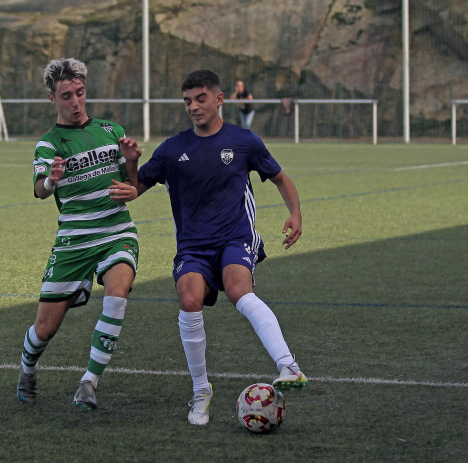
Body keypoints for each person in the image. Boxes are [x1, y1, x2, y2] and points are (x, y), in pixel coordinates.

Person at [134, 70, 307, 426]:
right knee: (189, 298)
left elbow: (280, 178)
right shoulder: (172, 148)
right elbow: (133, 187)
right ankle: (201, 391)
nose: (193, 107)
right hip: (193, 246)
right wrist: (129, 162)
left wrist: (295, 213)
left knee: (238, 289)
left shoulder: (244, 141)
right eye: (187, 101)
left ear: (219, 99)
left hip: (235, 237)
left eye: (199, 99)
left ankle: (288, 366)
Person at [17, 57, 142, 411]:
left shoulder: (111, 130)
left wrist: (131, 161)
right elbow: (40, 189)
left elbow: (130, 187)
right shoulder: (49, 143)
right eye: (67, 96)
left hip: (117, 230)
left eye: (80, 93)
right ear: (52, 99)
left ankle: (89, 382)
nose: (75, 103)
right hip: (74, 240)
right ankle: (27, 368)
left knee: (117, 294)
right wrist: (50, 180)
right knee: (45, 329)